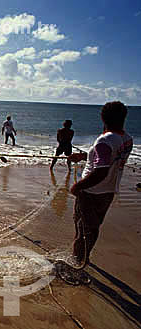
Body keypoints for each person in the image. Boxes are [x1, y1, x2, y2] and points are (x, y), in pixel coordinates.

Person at [67, 101, 133, 267]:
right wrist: (83, 157)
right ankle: (85, 257)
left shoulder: (105, 140)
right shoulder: (127, 139)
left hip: (91, 192)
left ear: (103, 118)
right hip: (109, 192)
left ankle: (77, 262)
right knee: (93, 228)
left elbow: (101, 171)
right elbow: (108, 158)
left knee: (82, 229)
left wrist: (78, 186)